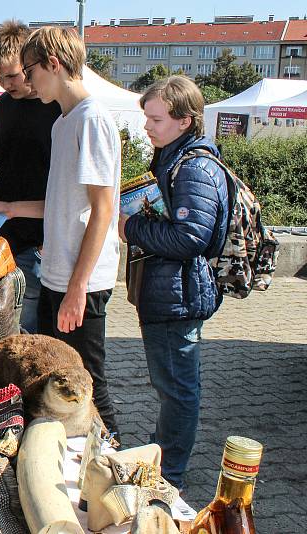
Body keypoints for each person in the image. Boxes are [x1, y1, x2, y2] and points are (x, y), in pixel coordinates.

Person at [0, 26, 122, 439]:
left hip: (82, 283)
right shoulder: (64, 122)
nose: (25, 80)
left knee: (88, 384)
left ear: (53, 64)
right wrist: (9, 207)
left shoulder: (91, 119)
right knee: (52, 378)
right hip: (57, 275)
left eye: (29, 70)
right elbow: (62, 203)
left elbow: (103, 210)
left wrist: (78, 288)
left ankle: (119, 466)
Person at [119, 76, 229, 489]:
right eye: (146, 117)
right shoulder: (176, 158)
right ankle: (164, 451)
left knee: (179, 389)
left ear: (185, 121)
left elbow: (190, 238)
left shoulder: (194, 167)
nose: (147, 127)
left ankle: (170, 472)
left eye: (156, 119)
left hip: (178, 295)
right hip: (172, 291)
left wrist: (132, 229)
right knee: (174, 385)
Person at [0, 20, 61, 334]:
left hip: (44, 240)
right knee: (3, 328)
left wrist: (52, 236)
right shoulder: (4, 106)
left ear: (31, 64)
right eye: (0, 76)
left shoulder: (58, 107)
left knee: (31, 331)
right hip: (4, 235)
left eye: (14, 75)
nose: (6, 84)